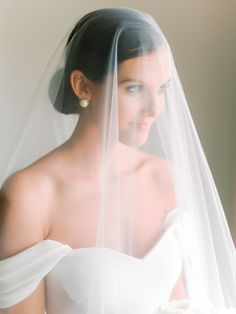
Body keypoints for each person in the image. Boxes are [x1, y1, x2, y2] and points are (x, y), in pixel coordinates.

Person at [0, 7, 235, 314]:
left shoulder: (164, 178)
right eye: (134, 88)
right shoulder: (30, 196)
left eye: (162, 89)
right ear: (82, 86)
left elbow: (179, 303)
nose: (155, 108)